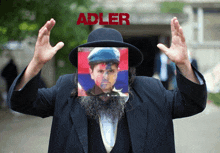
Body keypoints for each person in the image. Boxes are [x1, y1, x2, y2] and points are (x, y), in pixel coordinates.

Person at [7, 17, 207, 153]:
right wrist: (36, 64)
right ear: (89, 71)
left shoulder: (151, 90)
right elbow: (21, 103)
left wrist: (183, 65)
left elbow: (192, 103)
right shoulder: (66, 88)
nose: (105, 76)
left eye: (112, 70)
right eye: (99, 70)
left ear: (125, 71)